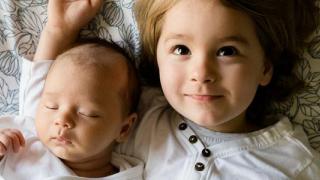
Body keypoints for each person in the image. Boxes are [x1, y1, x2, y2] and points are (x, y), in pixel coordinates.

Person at [18, 0, 320, 179]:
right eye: (181, 49)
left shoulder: (292, 162)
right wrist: (58, 31)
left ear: (265, 67)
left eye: (227, 52)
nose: (201, 73)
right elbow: (47, 116)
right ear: (157, 60)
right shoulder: (140, 116)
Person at [0, 0, 143, 179]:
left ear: (123, 129)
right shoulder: (22, 142)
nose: (61, 119)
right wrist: (58, 28)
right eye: (51, 106)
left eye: (87, 113)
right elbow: (39, 76)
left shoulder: (130, 175)